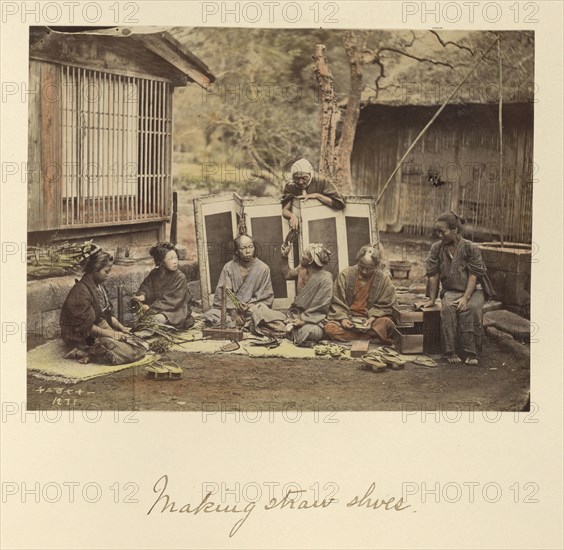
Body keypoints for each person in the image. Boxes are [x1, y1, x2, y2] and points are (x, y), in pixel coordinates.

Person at [59, 245, 148, 365]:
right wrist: (112, 334)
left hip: (99, 327)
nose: (108, 275)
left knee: (139, 345)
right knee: (129, 353)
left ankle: (90, 352)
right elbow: (85, 326)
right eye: (106, 271)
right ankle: (84, 351)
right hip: (81, 335)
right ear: (95, 269)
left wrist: (121, 328)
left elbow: (107, 314)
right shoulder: (80, 292)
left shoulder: (99, 286)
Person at [422, 211, 489, 366]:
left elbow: (473, 275)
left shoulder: (471, 248)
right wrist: (432, 300)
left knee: (470, 309)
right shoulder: (437, 248)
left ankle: (471, 351)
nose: (439, 235)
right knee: (448, 309)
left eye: (442, 231)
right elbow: (433, 275)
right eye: (437, 231)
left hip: (473, 291)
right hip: (451, 290)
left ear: (455, 230)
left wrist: (465, 297)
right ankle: (450, 351)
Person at [250, 243, 334, 345]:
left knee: (312, 331)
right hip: (291, 315)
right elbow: (286, 274)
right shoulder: (301, 268)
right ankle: (286, 331)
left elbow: (321, 307)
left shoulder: (325, 279)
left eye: (305, 254)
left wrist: (303, 320)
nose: (302, 255)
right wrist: (284, 256)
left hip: (311, 320)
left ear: (311, 260)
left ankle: (278, 330)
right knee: (257, 309)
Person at [325, 245, 397, 343]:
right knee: (330, 329)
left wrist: (372, 318)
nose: (364, 271)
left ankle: (354, 338)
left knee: (386, 324)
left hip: (372, 320)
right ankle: (370, 338)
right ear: (357, 262)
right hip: (349, 319)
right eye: (361, 267)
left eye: (369, 269)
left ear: (376, 266)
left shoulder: (384, 280)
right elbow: (337, 302)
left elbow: (386, 305)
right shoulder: (345, 275)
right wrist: (343, 319)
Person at [204, 234, 274, 328]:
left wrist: (249, 306)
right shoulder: (229, 267)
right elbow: (225, 292)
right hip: (231, 310)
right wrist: (233, 312)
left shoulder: (263, 268)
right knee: (211, 314)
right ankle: (246, 324)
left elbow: (266, 296)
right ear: (237, 251)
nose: (248, 251)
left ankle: (236, 324)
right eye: (243, 248)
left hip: (252, 309)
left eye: (250, 247)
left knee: (262, 312)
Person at [133, 242, 195, 335]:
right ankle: (147, 327)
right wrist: (143, 295)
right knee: (132, 317)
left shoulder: (180, 277)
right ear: (161, 261)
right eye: (170, 259)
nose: (175, 261)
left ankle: (147, 332)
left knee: (159, 318)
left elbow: (171, 300)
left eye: (176, 258)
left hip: (174, 311)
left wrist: (151, 308)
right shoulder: (154, 273)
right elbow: (146, 286)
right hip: (156, 308)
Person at [281, 158, 345, 230]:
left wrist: (317, 196)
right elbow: (285, 210)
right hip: (300, 227)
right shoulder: (291, 186)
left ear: (310, 174)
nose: (300, 182)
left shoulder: (322, 182)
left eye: (304, 178)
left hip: (323, 225)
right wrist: (292, 216)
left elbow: (339, 204)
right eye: (297, 178)